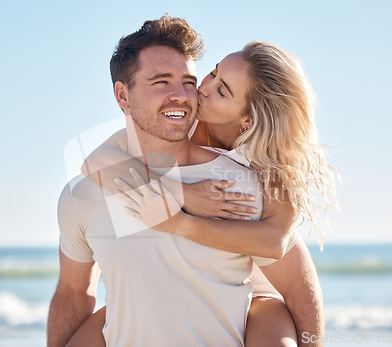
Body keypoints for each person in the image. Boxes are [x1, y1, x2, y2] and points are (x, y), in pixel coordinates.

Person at [48, 16, 333, 347]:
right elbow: (98, 158)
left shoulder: (257, 179)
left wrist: (179, 222)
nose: (192, 93)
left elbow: (279, 248)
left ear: (247, 119)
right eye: (210, 74)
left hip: (257, 296)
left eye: (190, 81)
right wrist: (181, 193)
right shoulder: (91, 188)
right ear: (123, 96)